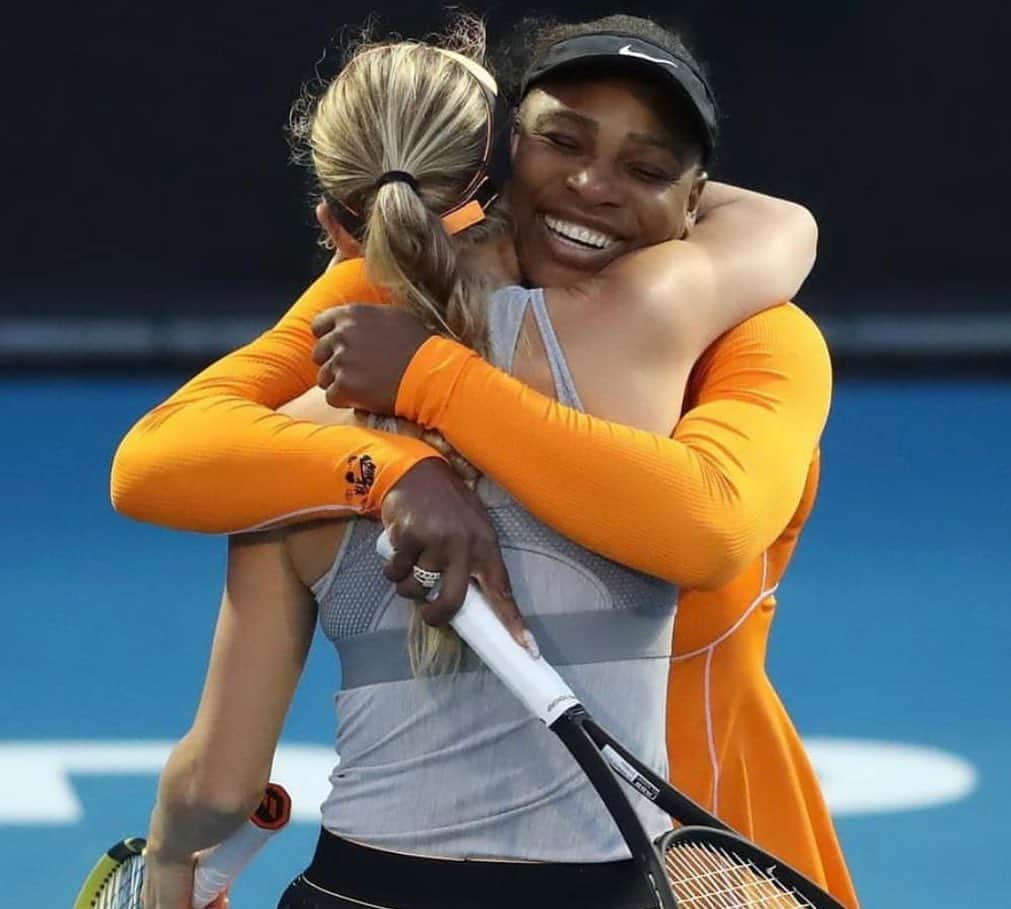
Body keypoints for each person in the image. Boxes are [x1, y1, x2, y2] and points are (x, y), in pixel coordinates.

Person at [123, 13, 858, 908]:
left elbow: (214, 787)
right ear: (500, 160)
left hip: (396, 879)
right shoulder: (661, 317)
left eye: (647, 166)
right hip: (642, 872)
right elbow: (785, 223)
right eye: (561, 143)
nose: (593, 185)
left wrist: (423, 386)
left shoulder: (290, 432)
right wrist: (397, 470)